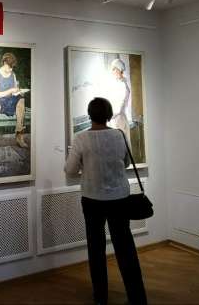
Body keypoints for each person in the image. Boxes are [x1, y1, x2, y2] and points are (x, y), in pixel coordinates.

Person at [65, 97, 147, 305]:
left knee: (96, 248)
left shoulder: (81, 138)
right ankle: (137, 298)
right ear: (109, 115)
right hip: (120, 198)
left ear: (89, 115)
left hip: (92, 199)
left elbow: (70, 170)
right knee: (125, 248)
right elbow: (126, 163)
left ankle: (101, 297)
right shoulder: (120, 135)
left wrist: (86, 164)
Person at [0, 52, 28, 148]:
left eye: (12, 67)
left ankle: (19, 133)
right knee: (20, 103)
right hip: (1, 102)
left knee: (21, 99)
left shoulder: (13, 74)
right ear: (4, 63)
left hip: (12, 100)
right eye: (9, 67)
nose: (11, 69)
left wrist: (18, 91)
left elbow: (15, 89)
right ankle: (19, 135)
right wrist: (10, 91)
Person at [108, 58, 131, 142]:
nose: (112, 71)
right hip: (115, 121)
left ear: (119, 70)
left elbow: (118, 109)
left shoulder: (123, 86)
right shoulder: (116, 85)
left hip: (120, 121)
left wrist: (107, 115)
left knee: (120, 145)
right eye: (112, 69)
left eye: (114, 69)